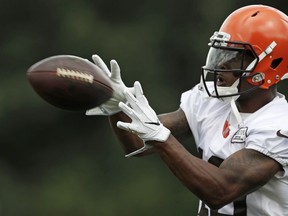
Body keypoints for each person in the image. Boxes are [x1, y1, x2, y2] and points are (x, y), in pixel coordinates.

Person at [86, 4, 288, 216]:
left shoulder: (278, 126)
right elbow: (137, 143)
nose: (222, 64)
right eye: (222, 52)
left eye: (235, 56)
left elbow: (220, 191)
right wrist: (116, 105)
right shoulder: (209, 100)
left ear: (270, 66)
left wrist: (163, 139)